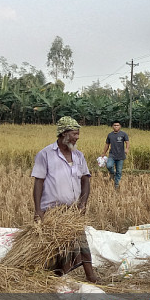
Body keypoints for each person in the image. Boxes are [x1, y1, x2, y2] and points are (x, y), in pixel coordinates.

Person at [31, 116, 97, 282]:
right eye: (74, 134)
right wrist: (38, 210)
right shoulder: (45, 154)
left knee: (81, 241)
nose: (77, 137)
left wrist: (83, 203)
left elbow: (85, 179)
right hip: (52, 210)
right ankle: (53, 276)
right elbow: (38, 181)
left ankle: (91, 277)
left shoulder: (79, 156)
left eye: (78, 133)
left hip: (72, 210)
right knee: (54, 246)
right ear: (63, 134)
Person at [101, 120, 129, 189]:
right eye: (115, 125)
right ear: (112, 126)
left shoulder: (123, 134)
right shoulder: (110, 135)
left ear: (120, 126)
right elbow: (107, 144)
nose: (116, 127)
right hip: (112, 155)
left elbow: (127, 142)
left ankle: (116, 184)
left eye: (117, 125)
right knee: (109, 165)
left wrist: (127, 149)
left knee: (119, 171)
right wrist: (104, 153)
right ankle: (112, 173)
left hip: (121, 156)